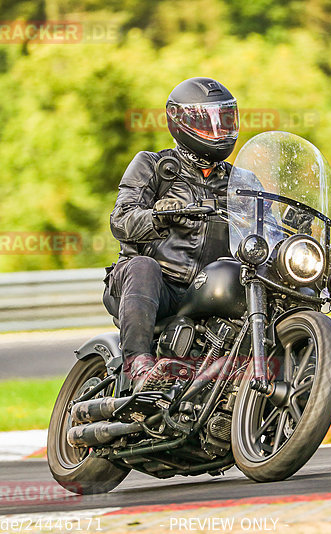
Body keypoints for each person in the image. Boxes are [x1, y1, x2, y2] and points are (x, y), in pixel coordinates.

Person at [103, 77, 239, 391]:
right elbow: (121, 219)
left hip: (211, 292)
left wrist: (295, 223)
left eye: (225, 121)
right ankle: (137, 362)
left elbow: (265, 227)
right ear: (180, 122)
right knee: (143, 266)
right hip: (158, 288)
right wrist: (160, 217)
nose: (218, 131)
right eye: (208, 123)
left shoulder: (242, 181)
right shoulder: (153, 166)